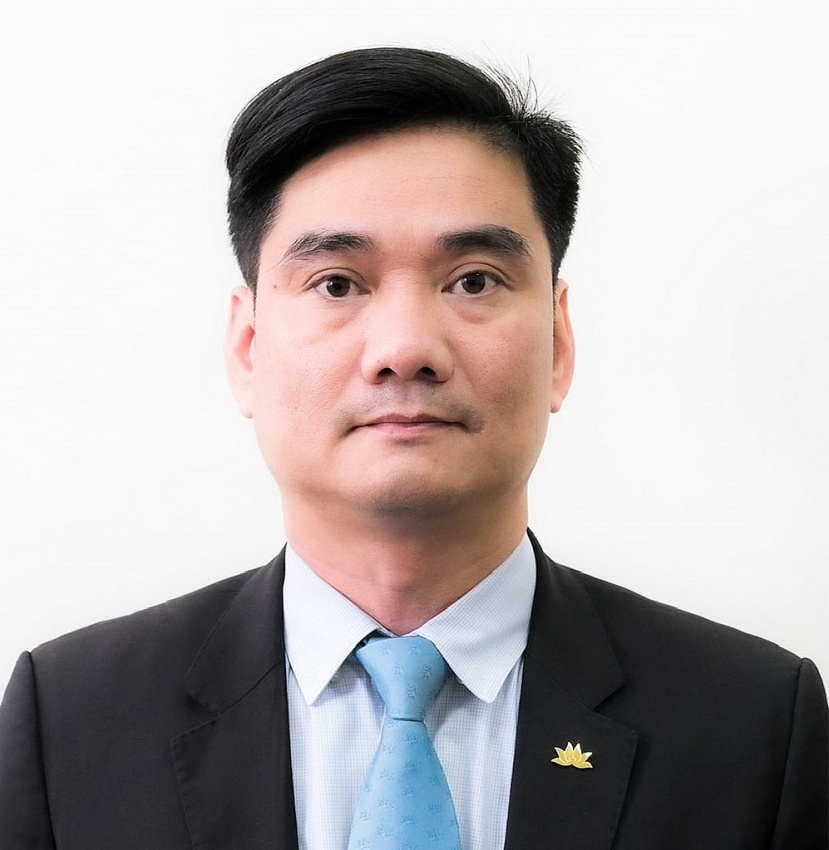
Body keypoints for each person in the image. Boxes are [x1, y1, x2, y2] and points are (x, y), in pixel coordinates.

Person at [0, 46, 826, 850]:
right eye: (336, 284)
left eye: (473, 280)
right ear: (249, 349)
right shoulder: (69, 718)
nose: (405, 348)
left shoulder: (755, 724)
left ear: (558, 343)